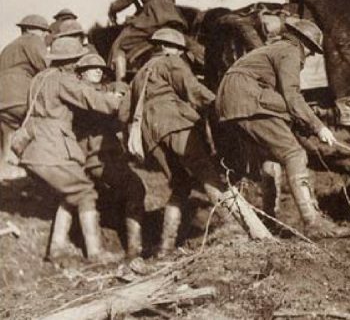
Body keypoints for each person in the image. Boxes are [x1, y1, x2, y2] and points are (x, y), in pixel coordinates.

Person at [216, 19, 350, 239]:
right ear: (304, 42)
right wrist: (318, 127)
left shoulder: (273, 49)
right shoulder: (290, 51)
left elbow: (281, 100)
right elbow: (292, 96)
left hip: (232, 103)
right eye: (311, 50)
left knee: (270, 158)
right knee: (294, 153)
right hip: (248, 100)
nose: (309, 56)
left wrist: (302, 123)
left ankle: (269, 220)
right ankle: (313, 223)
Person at [122, 28, 251, 256]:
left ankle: (165, 247)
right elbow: (193, 90)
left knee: (181, 184)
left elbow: (123, 113)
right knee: (207, 171)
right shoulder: (172, 62)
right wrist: (222, 102)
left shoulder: (140, 74)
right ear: (173, 48)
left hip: (150, 138)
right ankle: (234, 227)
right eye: (180, 51)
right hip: (176, 125)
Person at [17, 37, 123, 264]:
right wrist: (115, 100)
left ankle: (56, 247)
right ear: (70, 61)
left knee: (70, 193)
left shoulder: (39, 78)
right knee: (86, 192)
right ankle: (96, 253)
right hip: (53, 147)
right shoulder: (63, 79)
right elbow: (90, 98)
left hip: (34, 148)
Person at [70, 53, 145, 259]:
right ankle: (134, 249)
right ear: (81, 73)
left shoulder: (94, 91)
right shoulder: (84, 94)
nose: (98, 70)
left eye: (101, 68)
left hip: (96, 157)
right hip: (96, 157)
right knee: (135, 187)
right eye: (93, 67)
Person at [107, 0, 227, 83]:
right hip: (173, 20)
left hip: (149, 22)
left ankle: (120, 86)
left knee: (119, 45)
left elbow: (121, 3)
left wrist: (112, 10)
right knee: (190, 43)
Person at [0, 15, 49, 180]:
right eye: (43, 31)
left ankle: (9, 175)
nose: (44, 35)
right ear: (31, 30)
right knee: (43, 127)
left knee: (9, 137)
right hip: (20, 95)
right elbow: (47, 65)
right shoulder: (33, 41)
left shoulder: (8, 47)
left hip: (2, 99)